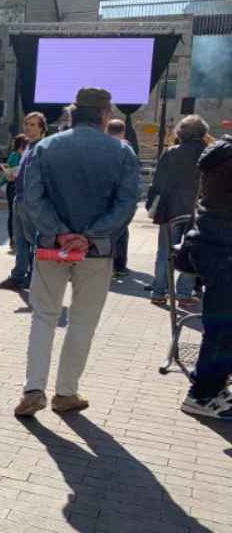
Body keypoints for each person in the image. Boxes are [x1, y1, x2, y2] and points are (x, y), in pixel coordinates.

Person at [14, 88, 139, 417]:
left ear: (72, 113)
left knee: (43, 317)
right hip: (96, 253)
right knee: (82, 323)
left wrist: (59, 233)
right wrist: (90, 236)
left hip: (49, 250)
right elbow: (127, 204)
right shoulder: (122, 151)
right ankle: (65, 393)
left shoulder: (45, 147)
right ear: (104, 115)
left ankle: (33, 388)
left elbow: (31, 198)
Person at [180, 133, 232, 419]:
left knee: (222, 326)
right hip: (223, 248)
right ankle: (203, 395)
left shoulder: (220, 151)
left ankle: (212, 388)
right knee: (223, 328)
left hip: (214, 244)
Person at [145, 115, 209, 307]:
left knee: (164, 252)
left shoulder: (171, 152)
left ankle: (158, 292)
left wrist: (151, 205)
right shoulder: (208, 153)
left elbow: (157, 183)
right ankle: (183, 293)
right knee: (191, 252)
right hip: (196, 210)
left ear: (181, 133)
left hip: (169, 209)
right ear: (202, 133)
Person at [0, 112, 46, 291]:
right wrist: (13, 175)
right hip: (19, 198)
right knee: (20, 241)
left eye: (33, 125)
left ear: (41, 128)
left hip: (31, 202)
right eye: (27, 124)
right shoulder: (28, 147)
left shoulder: (42, 148)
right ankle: (18, 277)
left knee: (32, 242)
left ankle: (33, 279)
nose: (29, 128)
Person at [106, 119, 136, 278]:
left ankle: (108, 264)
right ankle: (119, 265)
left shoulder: (102, 146)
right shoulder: (127, 149)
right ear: (123, 131)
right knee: (121, 231)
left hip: (105, 195)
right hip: (120, 196)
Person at [1, 134, 28, 252]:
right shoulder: (14, 155)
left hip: (19, 186)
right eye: (25, 144)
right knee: (13, 213)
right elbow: (11, 173)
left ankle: (19, 239)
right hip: (12, 186)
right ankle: (13, 240)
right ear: (21, 145)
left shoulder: (23, 155)